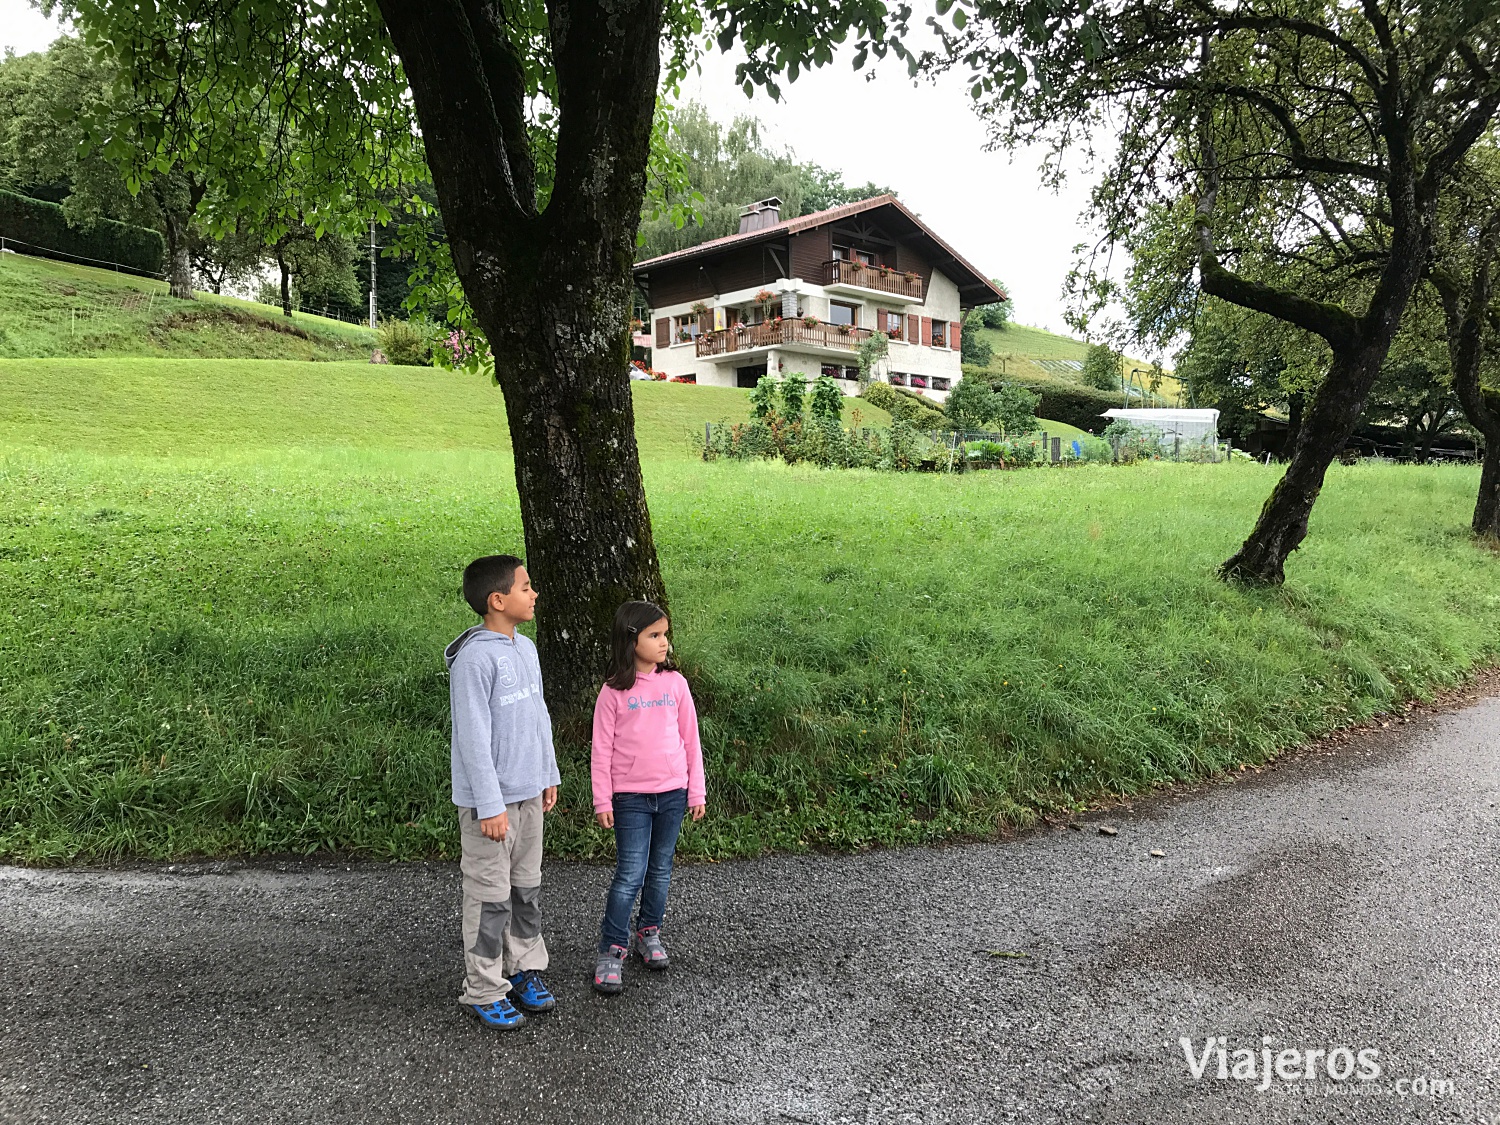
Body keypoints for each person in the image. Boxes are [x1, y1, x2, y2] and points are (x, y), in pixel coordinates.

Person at [445, 554, 560, 1029]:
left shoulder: (526, 649)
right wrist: (489, 806)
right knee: (491, 900)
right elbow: (472, 738)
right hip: (490, 809)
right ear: (498, 600)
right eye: (526, 587)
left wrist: (548, 772)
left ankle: (524, 969)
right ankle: (484, 987)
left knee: (525, 891)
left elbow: (538, 718)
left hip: (529, 794)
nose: (534, 594)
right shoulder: (474, 659)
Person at [591, 600, 707, 994]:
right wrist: (602, 799)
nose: (664, 643)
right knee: (629, 874)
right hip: (630, 800)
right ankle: (612, 948)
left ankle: (649, 932)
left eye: (665, 635)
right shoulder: (612, 692)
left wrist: (696, 789)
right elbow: (601, 750)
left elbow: (691, 740)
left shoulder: (675, 684)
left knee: (660, 870)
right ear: (631, 640)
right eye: (654, 635)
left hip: (673, 794)